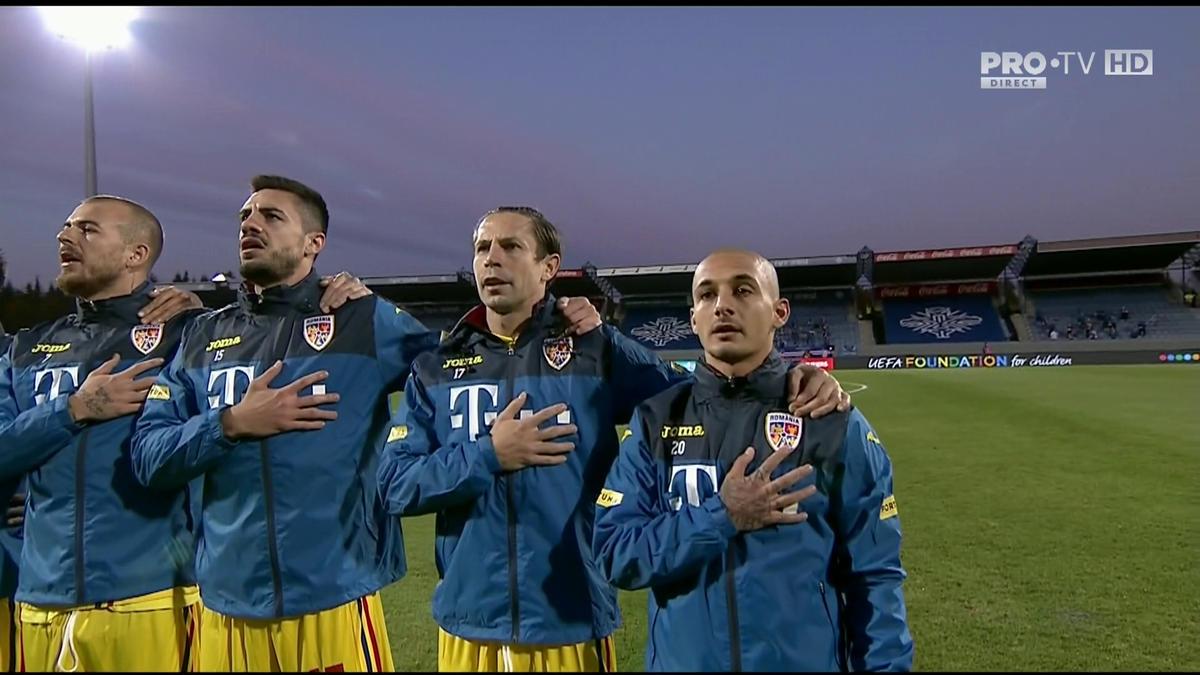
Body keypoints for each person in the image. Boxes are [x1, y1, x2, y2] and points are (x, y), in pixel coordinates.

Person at [129, 177, 599, 673]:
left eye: (271, 216)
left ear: (315, 244)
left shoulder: (362, 318)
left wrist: (554, 316)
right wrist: (229, 423)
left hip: (338, 591)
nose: (250, 224)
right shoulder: (203, 335)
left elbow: (471, 358)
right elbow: (148, 458)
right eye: (245, 216)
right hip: (224, 602)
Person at [377, 209, 850, 672]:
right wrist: (489, 454)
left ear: (549, 268)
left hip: (572, 616)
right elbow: (394, 485)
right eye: (482, 248)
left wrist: (795, 375)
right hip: (468, 621)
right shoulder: (436, 368)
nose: (490, 259)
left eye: (510, 246)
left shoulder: (594, 349)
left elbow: (705, 393)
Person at [0, 194, 369, 672]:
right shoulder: (27, 348)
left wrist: (343, 289)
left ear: (136, 254)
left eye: (87, 229)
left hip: (156, 597)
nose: (64, 236)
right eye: (68, 226)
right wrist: (73, 409)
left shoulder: (188, 334)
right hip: (38, 604)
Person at [592, 248, 914, 672]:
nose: (722, 305)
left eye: (743, 290)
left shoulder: (829, 420)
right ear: (693, 320)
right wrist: (722, 514)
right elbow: (615, 553)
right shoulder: (655, 421)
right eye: (706, 296)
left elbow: (875, 574)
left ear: (779, 311)